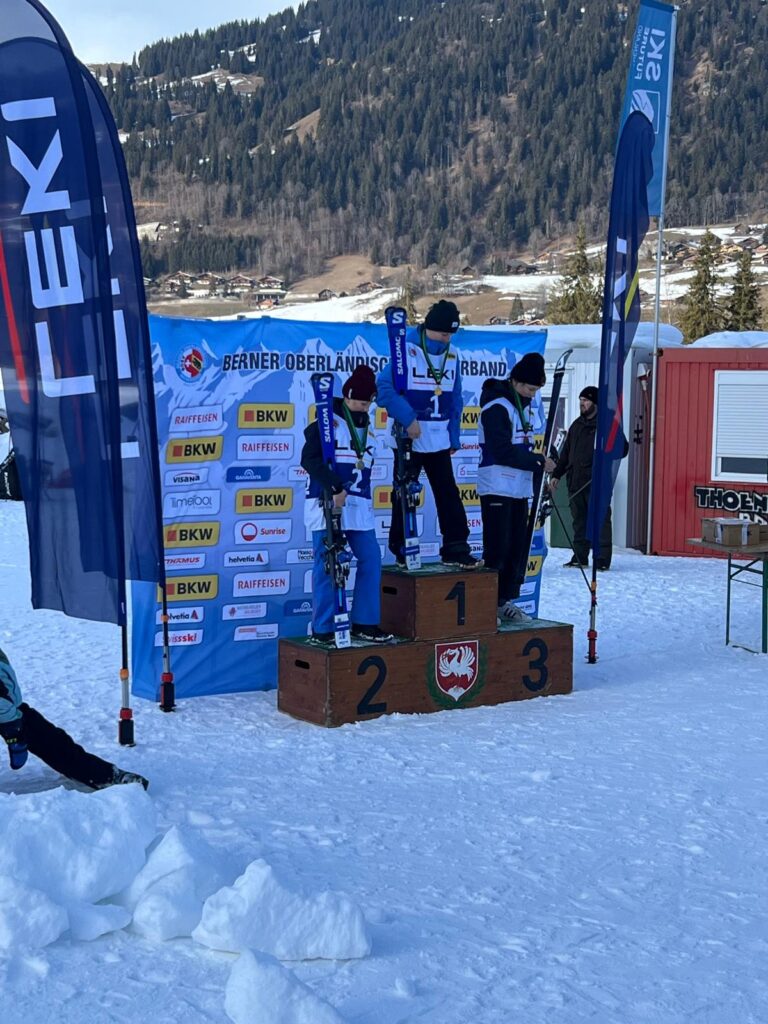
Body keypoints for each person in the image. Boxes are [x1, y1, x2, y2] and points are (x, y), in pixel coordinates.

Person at [376, 299, 479, 569]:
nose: (447, 339)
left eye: (451, 334)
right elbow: (384, 388)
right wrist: (408, 418)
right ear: (430, 328)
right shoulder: (406, 350)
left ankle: (456, 547)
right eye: (443, 333)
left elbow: (455, 398)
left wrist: (454, 435)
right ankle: (402, 548)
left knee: (448, 493)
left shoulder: (452, 355)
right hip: (409, 437)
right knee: (404, 494)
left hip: (439, 437)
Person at [301, 365, 394, 645]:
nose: (363, 408)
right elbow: (309, 460)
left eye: (367, 403)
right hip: (327, 502)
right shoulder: (326, 422)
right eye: (358, 402)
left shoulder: (368, 427)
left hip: (358, 506)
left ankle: (365, 622)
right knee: (328, 564)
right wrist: (334, 487)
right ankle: (323, 628)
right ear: (347, 396)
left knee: (371, 558)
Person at [0, 646, 148, 790]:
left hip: (10, 706)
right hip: (6, 708)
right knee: (29, 728)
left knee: (46, 738)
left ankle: (103, 775)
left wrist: (13, 728)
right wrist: (12, 730)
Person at [477, 352, 555, 624]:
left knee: (516, 548)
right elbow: (501, 450)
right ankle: (487, 603)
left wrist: (541, 464)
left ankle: (503, 601)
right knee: (497, 548)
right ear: (516, 381)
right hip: (497, 485)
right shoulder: (497, 406)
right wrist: (536, 461)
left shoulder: (524, 407)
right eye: (530, 389)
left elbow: (525, 444)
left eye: (536, 390)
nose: (533, 395)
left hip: (519, 488)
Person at [550, 385, 625, 571]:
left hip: (596, 482)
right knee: (579, 522)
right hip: (576, 482)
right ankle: (580, 556)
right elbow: (566, 453)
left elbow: (623, 449)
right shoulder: (577, 425)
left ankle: (602, 559)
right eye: (581, 400)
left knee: (600, 521)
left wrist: (607, 451)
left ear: (595, 403)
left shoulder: (606, 424)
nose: (582, 404)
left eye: (586, 400)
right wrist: (557, 474)